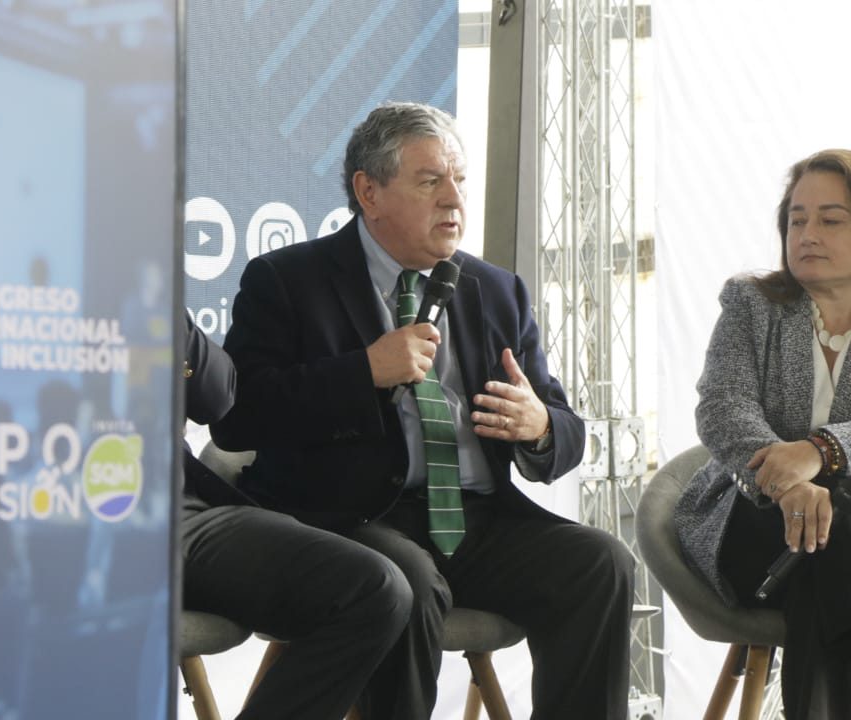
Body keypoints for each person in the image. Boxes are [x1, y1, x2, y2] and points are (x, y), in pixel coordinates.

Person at [213, 101, 635, 719]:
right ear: (369, 192)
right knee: (407, 578)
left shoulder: (497, 290)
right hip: (349, 520)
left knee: (600, 563)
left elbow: (566, 432)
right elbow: (238, 416)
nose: (454, 199)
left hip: (478, 522)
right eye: (431, 181)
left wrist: (539, 427)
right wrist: (363, 371)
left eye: (459, 179)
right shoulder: (287, 280)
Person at [674, 149, 851, 719]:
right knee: (834, 533)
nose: (808, 234)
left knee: (831, 546)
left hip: (827, 539)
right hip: (749, 517)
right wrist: (788, 482)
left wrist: (820, 451)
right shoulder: (751, 303)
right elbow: (723, 407)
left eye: (830, 219)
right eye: (797, 220)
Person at [181, 314, 412, 720]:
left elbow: (216, 398)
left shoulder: (146, 293)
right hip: (74, 515)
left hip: (180, 514)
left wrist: (167, 307)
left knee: (376, 589)